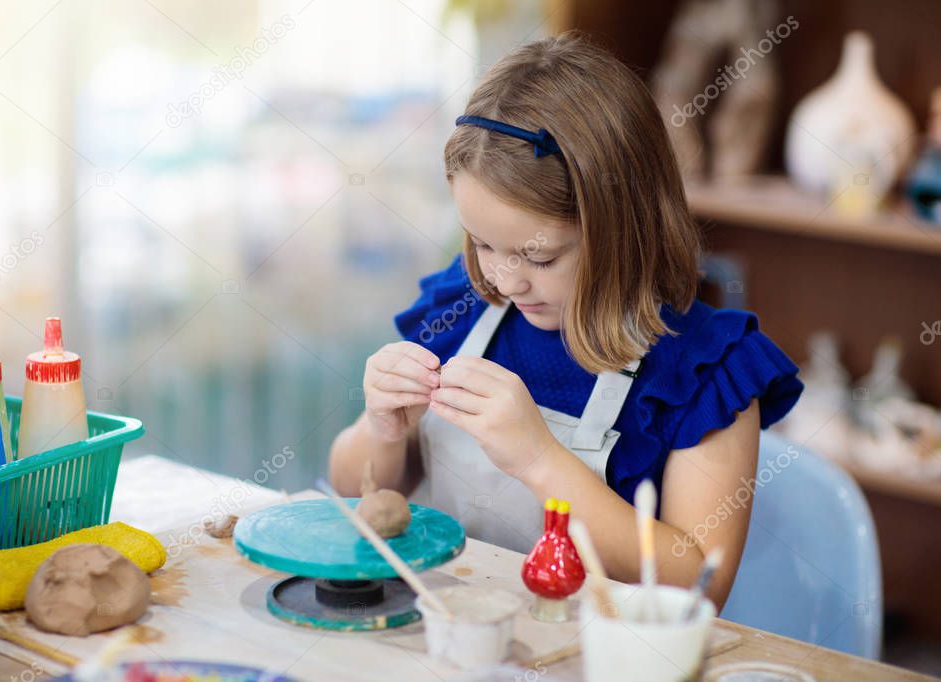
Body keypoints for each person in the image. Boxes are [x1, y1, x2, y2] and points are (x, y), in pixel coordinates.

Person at [329, 31, 802, 611]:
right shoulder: (462, 307)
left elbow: (699, 580)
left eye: (539, 256)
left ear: (625, 227)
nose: (505, 279)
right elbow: (357, 485)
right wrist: (383, 428)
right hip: (452, 638)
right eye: (482, 243)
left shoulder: (707, 369)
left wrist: (538, 459)